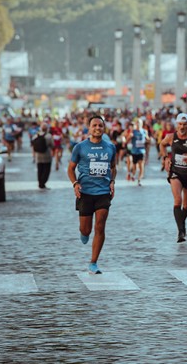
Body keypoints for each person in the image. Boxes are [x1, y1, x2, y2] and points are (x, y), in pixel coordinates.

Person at [67, 115, 117, 275]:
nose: (97, 128)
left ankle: (93, 262)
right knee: (86, 229)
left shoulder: (110, 147)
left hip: (103, 192)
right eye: (94, 125)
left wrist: (112, 181)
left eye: (100, 126)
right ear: (89, 128)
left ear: (104, 129)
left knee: (100, 225)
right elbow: (70, 168)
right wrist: (75, 184)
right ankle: (84, 232)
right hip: (85, 193)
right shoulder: (80, 147)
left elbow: (113, 167)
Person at [160, 113, 187, 242]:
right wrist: (165, 158)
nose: (182, 127)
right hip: (175, 172)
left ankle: (182, 225)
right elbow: (161, 144)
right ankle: (181, 232)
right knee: (177, 200)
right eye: (180, 124)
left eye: (185, 124)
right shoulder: (170, 137)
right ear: (176, 125)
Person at [129, 118, 150, 186]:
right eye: (137, 123)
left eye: (139, 123)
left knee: (141, 165)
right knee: (134, 167)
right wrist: (130, 137)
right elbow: (128, 139)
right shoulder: (133, 131)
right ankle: (133, 174)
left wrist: (147, 140)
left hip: (142, 151)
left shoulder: (144, 131)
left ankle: (139, 180)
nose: (138, 124)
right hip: (134, 151)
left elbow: (148, 139)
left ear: (142, 124)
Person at [33, 123, 54, 189]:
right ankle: (43, 183)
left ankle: (40, 183)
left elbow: (33, 144)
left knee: (40, 170)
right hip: (46, 156)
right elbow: (52, 145)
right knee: (46, 170)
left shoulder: (36, 135)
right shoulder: (49, 136)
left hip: (38, 156)